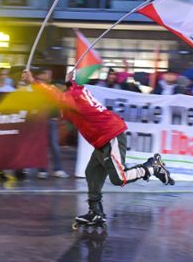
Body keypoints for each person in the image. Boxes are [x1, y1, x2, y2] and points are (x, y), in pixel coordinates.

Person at [21, 69, 174, 226]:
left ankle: (152, 167)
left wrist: (33, 82)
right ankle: (96, 213)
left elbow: (54, 95)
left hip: (110, 135)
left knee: (119, 178)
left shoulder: (71, 97)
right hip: (103, 138)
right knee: (92, 173)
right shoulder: (75, 92)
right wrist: (66, 82)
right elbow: (58, 95)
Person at [32, 67, 70, 179]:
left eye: (50, 74)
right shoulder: (37, 88)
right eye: (47, 74)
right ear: (41, 75)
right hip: (40, 120)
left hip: (52, 119)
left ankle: (57, 169)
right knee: (42, 146)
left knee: (54, 145)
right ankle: (42, 170)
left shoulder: (53, 88)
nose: (49, 76)